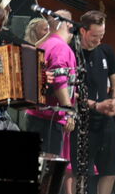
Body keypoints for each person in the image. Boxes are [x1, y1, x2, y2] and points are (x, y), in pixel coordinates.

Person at [75, 11, 115, 194]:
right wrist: (95, 105)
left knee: (110, 167)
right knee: (82, 168)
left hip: (106, 118)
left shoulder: (106, 51)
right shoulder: (74, 52)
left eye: (102, 35)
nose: (98, 40)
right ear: (83, 31)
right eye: (95, 36)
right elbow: (70, 91)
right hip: (83, 117)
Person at [24, 10, 76, 163]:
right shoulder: (61, 48)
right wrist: (69, 111)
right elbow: (59, 79)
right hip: (50, 118)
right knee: (48, 167)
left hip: (36, 115)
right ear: (69, 25)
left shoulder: (45, 44)